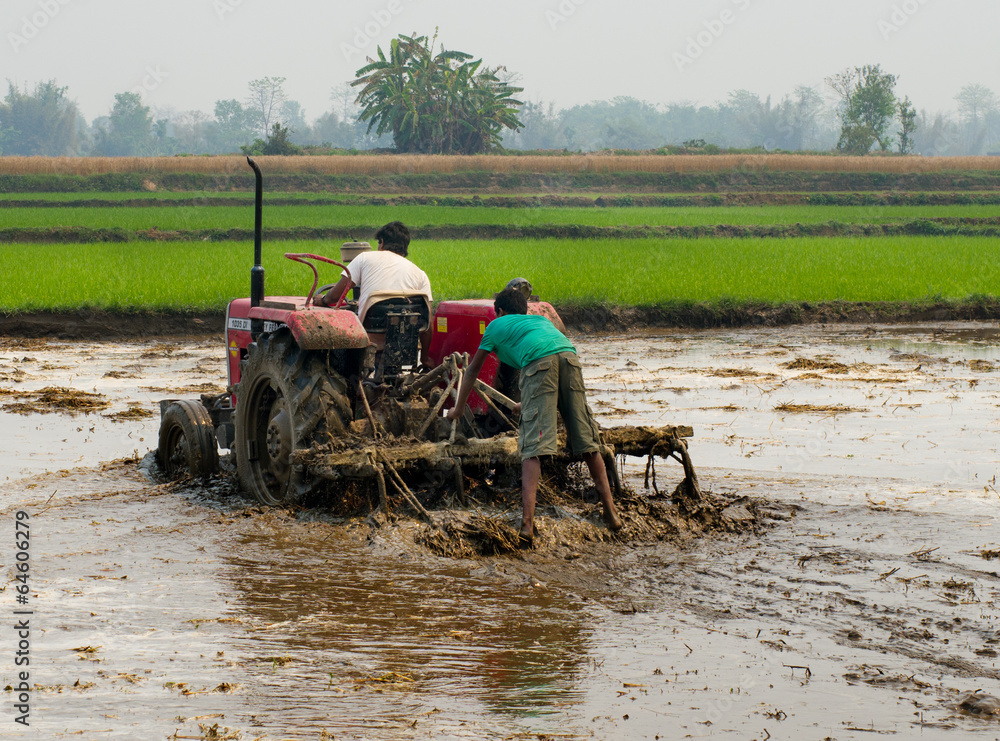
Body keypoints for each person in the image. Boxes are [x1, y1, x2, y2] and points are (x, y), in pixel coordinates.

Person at [447, 286, 623, 543]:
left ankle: (527, 524)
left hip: (539, 363)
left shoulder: (496, 326)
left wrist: (458, 408)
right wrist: (526, 403)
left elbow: (472, 371)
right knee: (587, 440)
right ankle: (611, 512)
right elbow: (553, 362)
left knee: (532, 447)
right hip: (570, 358)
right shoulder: (539, 320)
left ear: (501, 311)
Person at [317, 221, 433, 367]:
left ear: (382, 242)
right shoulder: (420, 274)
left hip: (367, 338)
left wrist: (322, 300)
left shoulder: (364, 258)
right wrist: (425, 357)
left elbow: (334, 296)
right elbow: (428, 322)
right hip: (402, 343)